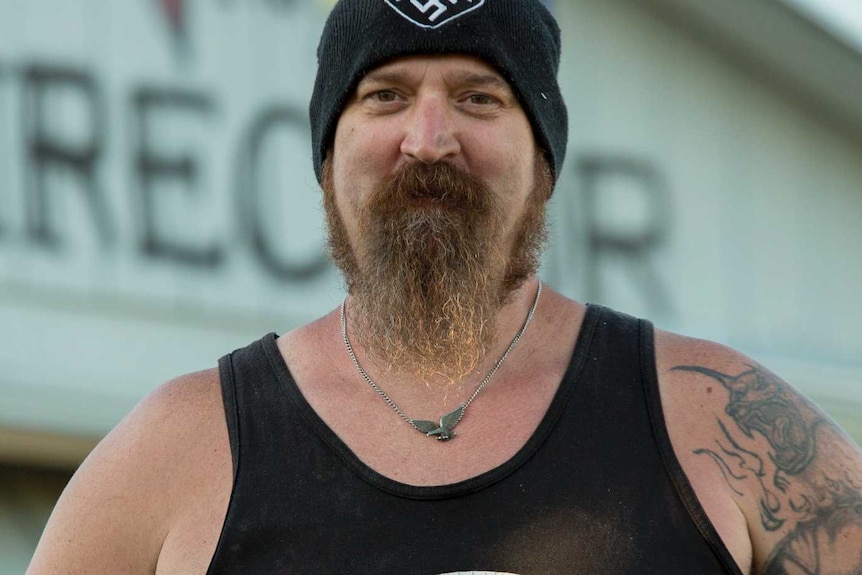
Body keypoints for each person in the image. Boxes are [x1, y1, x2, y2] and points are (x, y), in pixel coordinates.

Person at [27, 1, 862, 573]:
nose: (429, 139)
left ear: (543, 163)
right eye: (385, 95)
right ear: (328, 159)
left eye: (478, 96)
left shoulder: (714, 419)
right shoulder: (176, 452)